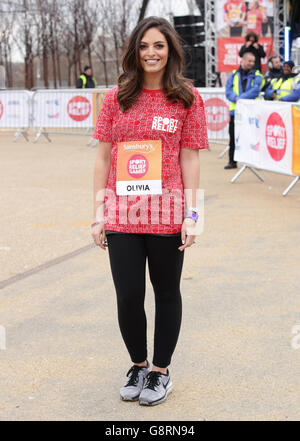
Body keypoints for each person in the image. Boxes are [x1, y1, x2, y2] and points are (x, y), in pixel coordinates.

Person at [91, 16, 208, 406]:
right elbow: (103, 158)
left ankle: (160, 372)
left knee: (166, 293)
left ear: (170, 51)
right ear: (134, 52)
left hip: (167, 213)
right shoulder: (115, 97)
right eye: (144, 46)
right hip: (123, 215)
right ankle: (138, 364)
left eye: (158, 46)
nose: (151, 53)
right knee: (127, 295)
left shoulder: (187, 98)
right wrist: (98, 214)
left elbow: (190, 159)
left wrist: (195, 215)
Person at [225, 52, 263, 169]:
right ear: (242, 61)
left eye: (253, 61)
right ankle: (232, 161)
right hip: (235, 112)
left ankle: (254, 162)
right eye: (249, 61)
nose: (252, 63)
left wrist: (240, 99)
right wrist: (236, 99)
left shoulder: (257, 75)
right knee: (233, 137)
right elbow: (228, 91)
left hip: (251, 113)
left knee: (254, 137)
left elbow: (255, 91)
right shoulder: (233, 75)